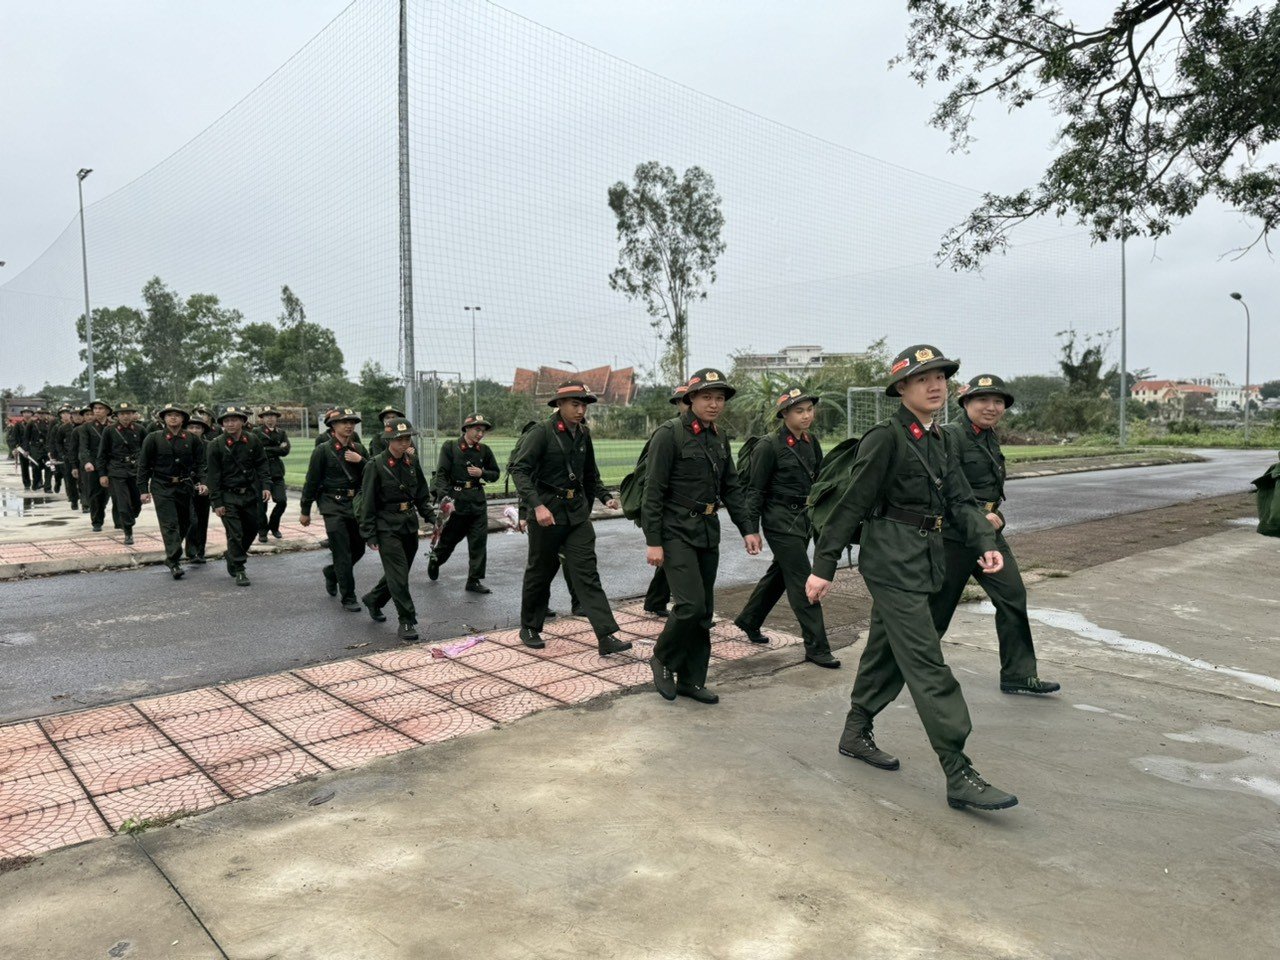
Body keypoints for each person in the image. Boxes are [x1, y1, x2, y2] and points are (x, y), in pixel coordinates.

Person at [806, 344, 1019, 812]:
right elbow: (852, 505)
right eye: (924, 378)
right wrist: (823, 567)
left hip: (925, 559)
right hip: (889, 561)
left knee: (886, 648)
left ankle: (855, 730)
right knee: (926, 661)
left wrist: (985, 545)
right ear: (902, 388)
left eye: (941, 376)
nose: (935, 384)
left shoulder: (942, 440)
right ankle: (957, 769)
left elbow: (962, 501)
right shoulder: (885, 438)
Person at [930, 374, 1060, 696]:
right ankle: (911, 666)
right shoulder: (950, 436)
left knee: (1013, 595)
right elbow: (941, 486)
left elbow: (989, 488)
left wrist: (992, 513)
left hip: (989, 533)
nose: (991, 407)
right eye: (983, 400)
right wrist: (978, 512)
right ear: (966, 403)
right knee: (938, 609)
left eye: (998, 402)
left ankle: (1018, 674)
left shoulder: (988, 437)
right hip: (955, 535)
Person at [643, 368, 762, 704]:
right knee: (690, 606)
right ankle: (663, 658)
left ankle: (692, 680)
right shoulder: (669, 434)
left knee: (704, 611)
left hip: (708, 531)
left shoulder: (718, 437)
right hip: (675, 531)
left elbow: (732, 488)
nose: (714, 404)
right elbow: (654, 491)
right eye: (707, 397)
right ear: (690, 398)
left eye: (720, 398)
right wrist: (653, 540)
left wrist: (748, 528)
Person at [508, 380, 631, 655]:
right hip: (548, 513)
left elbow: (590, 474)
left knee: (587, 572)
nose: (580, 409)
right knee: (541, 571)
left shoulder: (583, 434)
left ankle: (606, 635)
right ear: (559, 405)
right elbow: (519, 470)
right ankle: (529, 626)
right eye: (575, 404)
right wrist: (536, 506)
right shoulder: (541, 433)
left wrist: (603, 496)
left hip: (576, 514)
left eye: (583, 404)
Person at [735, 385, 840, 668]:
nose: (806, 416)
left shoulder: (810, 441)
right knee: (801, 579)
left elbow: (818, 482)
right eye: (799, 411)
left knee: (781, 572)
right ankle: (817, 647)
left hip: (803, 518)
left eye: (809, 410)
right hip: (779, 520)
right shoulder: (769, 446)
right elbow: (755, 491)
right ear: (784, 414)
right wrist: (751, 529)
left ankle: (749, 619)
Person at [358, 417, 434, 640]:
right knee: (399, 575)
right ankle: (407, 621)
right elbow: (368, 501)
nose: (404, 443)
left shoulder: (412, 462)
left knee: (398, 573)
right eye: (399, 439)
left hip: (408, 524)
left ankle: (374, 599)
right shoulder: (376, 465)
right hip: (386, 527)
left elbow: (420, 493)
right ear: (389, 440)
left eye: (407, 438)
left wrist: (431, 516)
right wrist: (369, 532)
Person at [300, 408, 368, 611]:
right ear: (333, 426)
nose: (348, 426)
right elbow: (311, 481)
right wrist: (305, 509)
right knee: (342, 552)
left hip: (354, 505)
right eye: (343, 422)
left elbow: (373, 473)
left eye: (351, 422)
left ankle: (331, 573)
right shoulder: (323, 450)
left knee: (359, 548)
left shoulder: (360, 449)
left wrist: (361, 461)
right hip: (332, 504)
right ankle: (348, 597)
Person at [428, 412, 499, 594]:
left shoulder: (484, 451)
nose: (480, 434)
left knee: (478, 542)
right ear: (466, 429)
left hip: (477, 501)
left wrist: (482, 473)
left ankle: (473, 580)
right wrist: (445, 499)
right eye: (477, 429)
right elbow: (442, 474)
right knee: (449, 540)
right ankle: (436, 559)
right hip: (456, 501)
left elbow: (495, 473)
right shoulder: (450, 447)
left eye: (483, 431)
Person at [137, 402, 206, 579]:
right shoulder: (153, 438)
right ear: (164, 419)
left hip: (184, 485)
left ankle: (173, 552)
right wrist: (143, 489)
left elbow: (201, 464)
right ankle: (174, 560)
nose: (173, 417)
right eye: (169, 415)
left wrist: (202, 482)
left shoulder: (192, 439)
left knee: (187, 521)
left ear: (183, 418)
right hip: (162, 486)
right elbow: (144, 466)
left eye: (177, 414)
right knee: (169, 524)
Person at [205, 405, 270, 586]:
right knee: (235, 533)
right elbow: (213, 476)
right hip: (227, 496)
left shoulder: (252, 440)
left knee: (253, 527)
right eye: (226, 421)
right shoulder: (215, 445)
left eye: (234, 420)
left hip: (249, 494)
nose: (230, 423)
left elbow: (262, 464)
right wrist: (216, 502)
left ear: (242, 421)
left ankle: (232, 554)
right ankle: (240, 568)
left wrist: (266, 486)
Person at [639, 384, 688, 618]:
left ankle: (655, 601)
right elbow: (650, 475)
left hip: (686, 512)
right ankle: (688, 609)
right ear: (678, 405)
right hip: (667, 508)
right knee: (673, 558)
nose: (688, 404)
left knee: (671, 560)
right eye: (684, 401)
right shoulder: (669, 432)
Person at [96, 401, 145, 544]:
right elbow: (102, 454)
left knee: (137, 502)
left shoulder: (140, 429)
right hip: (116, 470)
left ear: (133, 414)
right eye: (122, 414)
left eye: (129, 413)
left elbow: (147, 451)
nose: (125, 416)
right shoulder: (109, 431)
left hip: (135, 471)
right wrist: (102, 474)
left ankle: (130, 518)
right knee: (123, 503)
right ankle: (128, 531)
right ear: (117, 415)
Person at [253, 405, 291, 542]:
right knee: (261, 505)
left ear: (276, 418)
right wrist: (276, 448)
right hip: (260, 472)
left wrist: (267, 449)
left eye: (273, 416)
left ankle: (274, 526)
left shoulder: (281, 432)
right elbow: (257, 451)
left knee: (282, 501)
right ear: (262, 418)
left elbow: (286, 450)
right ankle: (262, 531)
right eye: (267, 416)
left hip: (276, 471)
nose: (270, 418)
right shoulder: (256, 432)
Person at [76, 400, 114, 531]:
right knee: (95, 495)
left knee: (111, 494)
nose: (97, 411)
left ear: (107, 411)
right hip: (93, 465)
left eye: (100, 408)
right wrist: (86, 461)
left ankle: (115, 517)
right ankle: (97, 521)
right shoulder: (86, 427)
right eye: (95, 408)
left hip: (111, 464)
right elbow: (83, 447)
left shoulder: (113, 426)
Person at [184, 411, 213, 564]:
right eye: (191, 427)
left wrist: (207, 484)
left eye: (197, 427)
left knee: (202, 520)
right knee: (191, 520)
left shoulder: (210, 446)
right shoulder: (181, 444)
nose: (194, 430)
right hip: (185, 486)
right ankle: (190, 551)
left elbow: (213, 468)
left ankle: (200, 551)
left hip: (204, 487)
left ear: (203, 430)